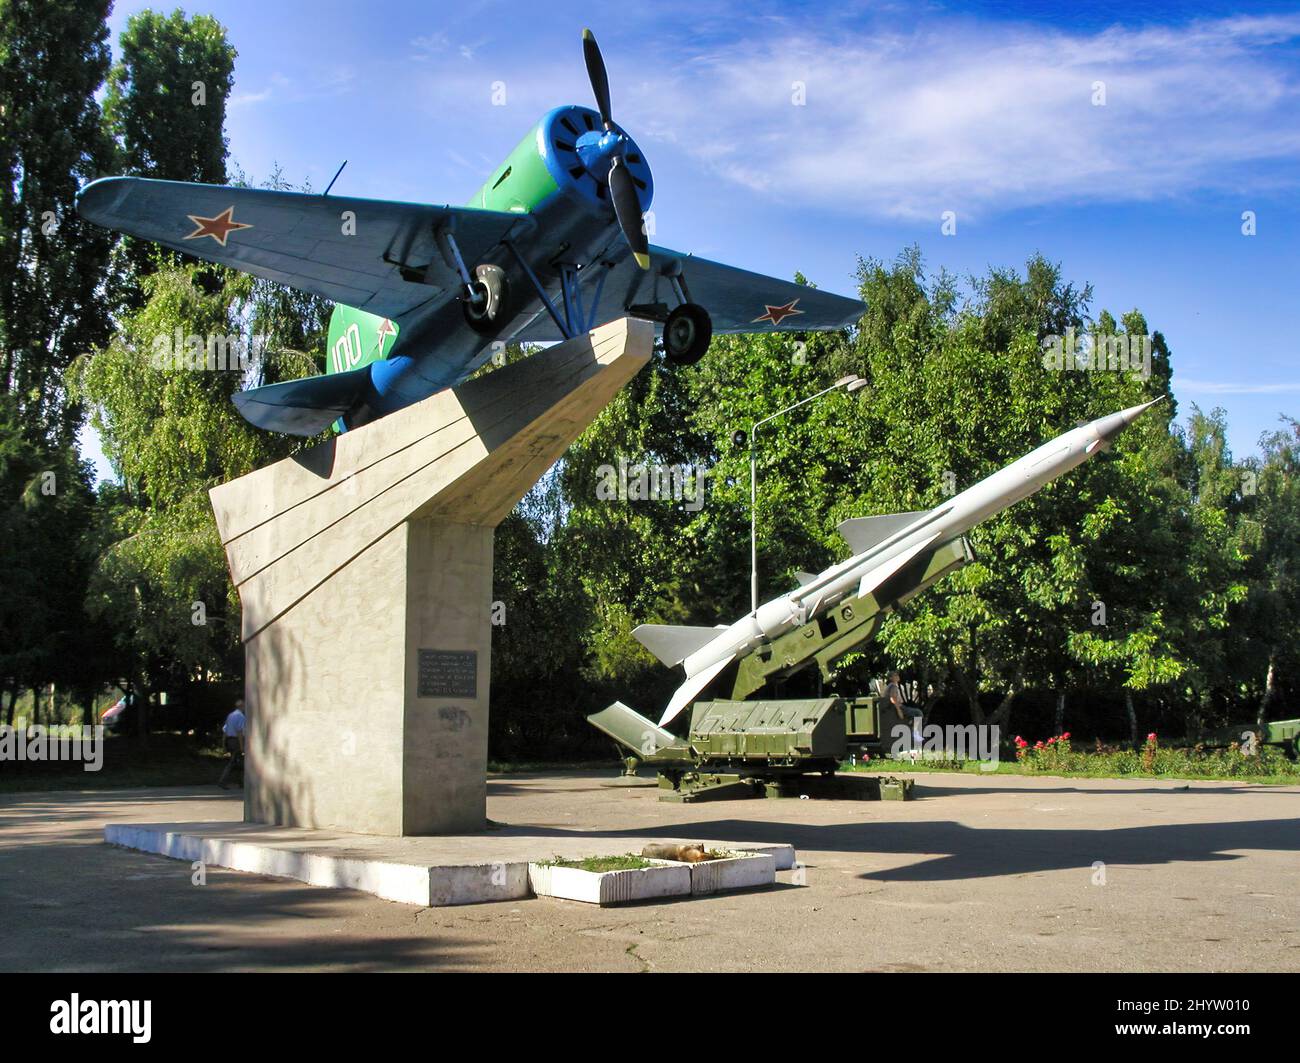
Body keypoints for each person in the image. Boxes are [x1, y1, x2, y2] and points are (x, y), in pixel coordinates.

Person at [884, 671, 924, 748]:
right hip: (898, 707)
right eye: (895, 675)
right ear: (890, 678)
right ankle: (914, 733)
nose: (897, 676)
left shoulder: (890, 686)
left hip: (896, 706)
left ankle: (911, 726)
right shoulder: (893, 686)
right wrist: (899, 710)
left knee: (913, 715)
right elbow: (893, 699)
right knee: (919, 713)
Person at [218, 698, 246, 789]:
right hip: (236, 741)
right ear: (242, 706)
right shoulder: (241, 716)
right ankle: (222, 781)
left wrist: (223, 744)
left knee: (237, 761)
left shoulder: (230, 715)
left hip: (229, 740)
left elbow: (225, 730)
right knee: (233, 762)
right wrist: (242, 747)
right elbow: (239, 732)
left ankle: (241, 782)